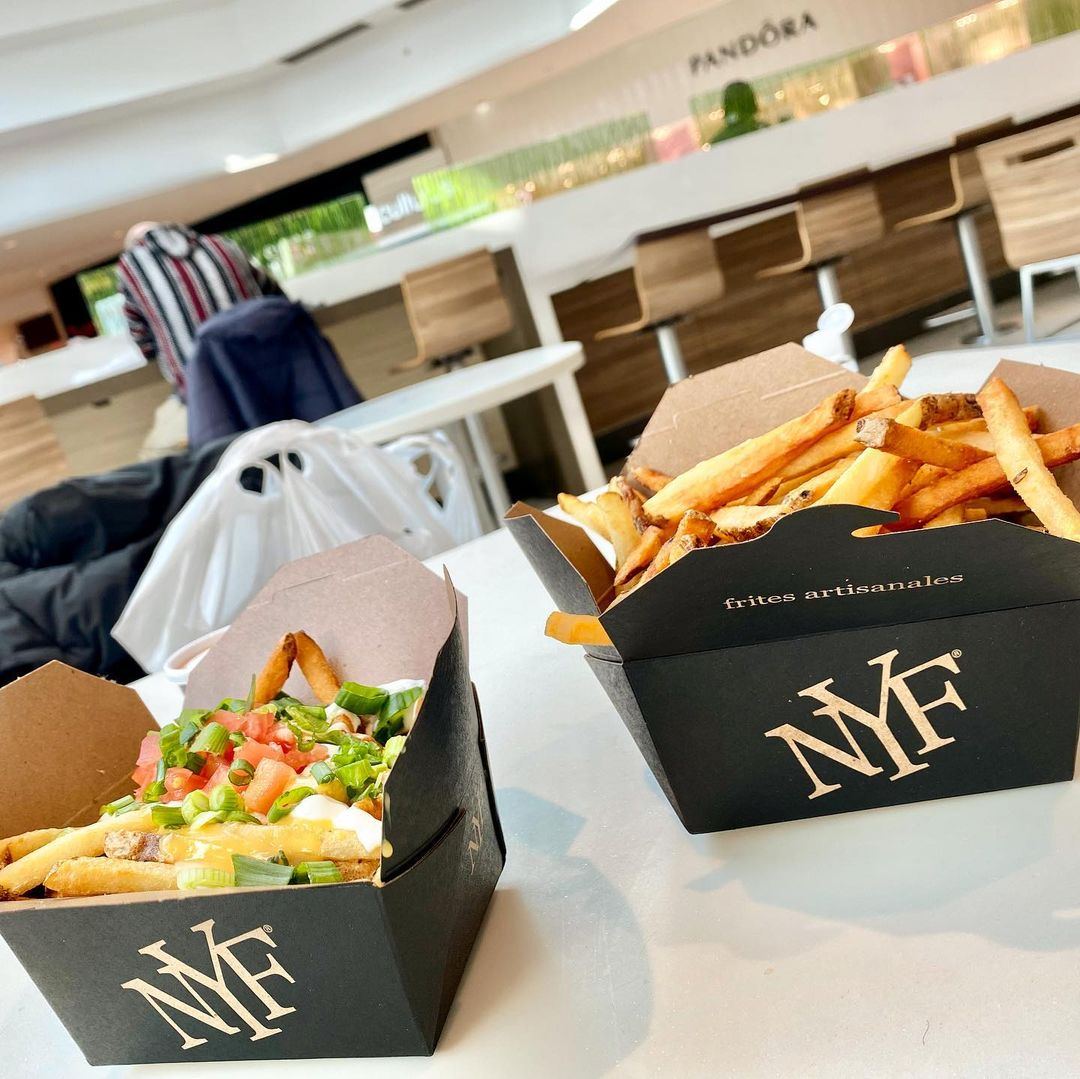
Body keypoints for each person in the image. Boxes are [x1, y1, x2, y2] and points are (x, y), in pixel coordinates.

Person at [117, 221, 285, 458]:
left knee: (218, 456)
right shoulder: (223, 244)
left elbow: (142, 338)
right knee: (280, 441)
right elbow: (274, 297)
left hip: (202, 384)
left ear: (135, 246)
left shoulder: (132, 266)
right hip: (265, 368)